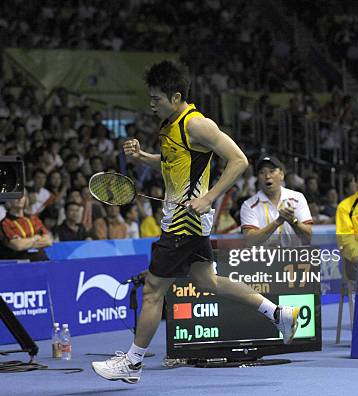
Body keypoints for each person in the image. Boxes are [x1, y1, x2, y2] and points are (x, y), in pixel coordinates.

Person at [92, 60, 299, 384]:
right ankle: (277, 314)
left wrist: (208, 198)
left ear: (176, 96)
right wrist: (143, 156)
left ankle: (132, 363)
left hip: (184, 222)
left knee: (152, 291)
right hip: (186, 221)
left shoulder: (197, 124)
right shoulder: (169, 125)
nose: (151, 103)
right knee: (208, 282)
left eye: (156, 98)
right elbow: (176, 158)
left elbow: (239, 160)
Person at [240, 157, 313, 246]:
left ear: (281, 174)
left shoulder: (297, 198)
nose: (267, 176)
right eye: (262, 173)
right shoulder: (248, 205)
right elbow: (250, 241)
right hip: (265, 259)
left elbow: (309, 237)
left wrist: (293, 221)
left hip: (294, 258)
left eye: (272, 171)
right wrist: (277, 222)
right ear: (258, 178)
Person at [0, 193, 53, 261]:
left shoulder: (33, 219)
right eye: (15, 196)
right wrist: (35, 238)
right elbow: (18, 246)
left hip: (42, 260)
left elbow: (48, 241)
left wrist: (24, 243)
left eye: (22, 195)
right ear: (8, 200)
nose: (19, 198)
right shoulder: (4, 224)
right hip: (19, 265)